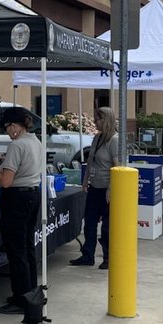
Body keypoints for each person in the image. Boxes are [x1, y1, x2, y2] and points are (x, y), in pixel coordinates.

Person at [0, 107, 42, 318]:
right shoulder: (35, 141)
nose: (6, 132)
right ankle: (29, 291)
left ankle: (20, 298)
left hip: (16, 198)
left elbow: (6, 182)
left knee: (16, 249)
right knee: (27, 246)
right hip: (33, 195)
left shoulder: (17, 146)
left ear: (14, 126)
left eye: (6, 127)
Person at [70, 106, 119, 271]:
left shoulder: (114, 140)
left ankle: (108, 257)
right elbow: (90, 161)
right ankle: (87, 255)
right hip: (94, 187)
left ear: (105, 120)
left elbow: (117, 167)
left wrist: (111, 189)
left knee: (107, 226)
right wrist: (85, 181)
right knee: (89, 222)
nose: (94, 122)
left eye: (97, 119)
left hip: (106, 189)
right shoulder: (97, 138)